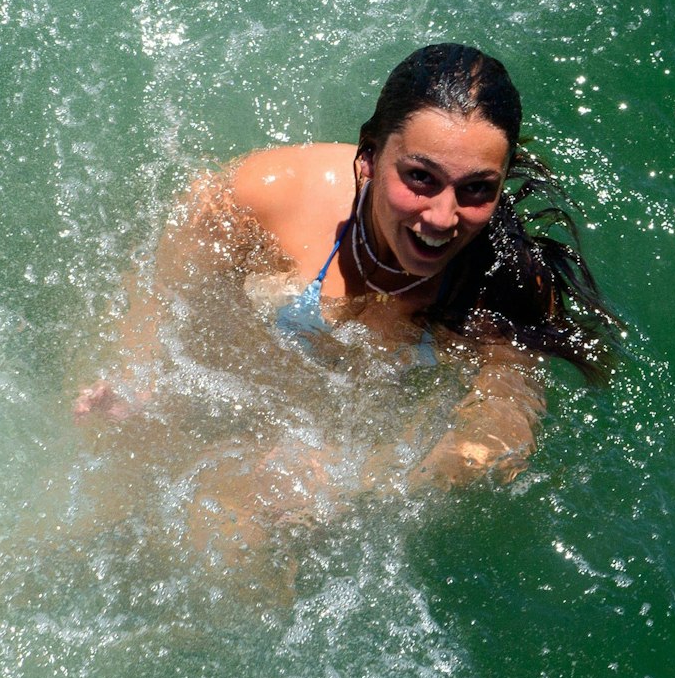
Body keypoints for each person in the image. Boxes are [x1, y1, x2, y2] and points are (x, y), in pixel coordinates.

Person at [67, 44, 618, 566]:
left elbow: (500, 435)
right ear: (369, 159)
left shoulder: (503, 283)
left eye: (477, 188)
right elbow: (163, 292)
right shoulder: (268, 197)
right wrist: (138, 382)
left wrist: (355, 483)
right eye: (420, 178)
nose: (443, 217)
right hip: (219, 411)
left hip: (330, 479)